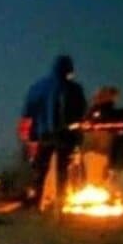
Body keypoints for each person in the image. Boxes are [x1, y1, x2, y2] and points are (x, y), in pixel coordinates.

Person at [21, 54, 88, 203]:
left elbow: (28, 112)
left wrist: (31, 136)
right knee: (62, 170)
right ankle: (60, 203)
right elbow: (82, 112)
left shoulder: (38, 87)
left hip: (43, 135)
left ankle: (36, 202)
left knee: (40, 170)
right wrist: (78, 133)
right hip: (65, 135)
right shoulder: (74, 89)